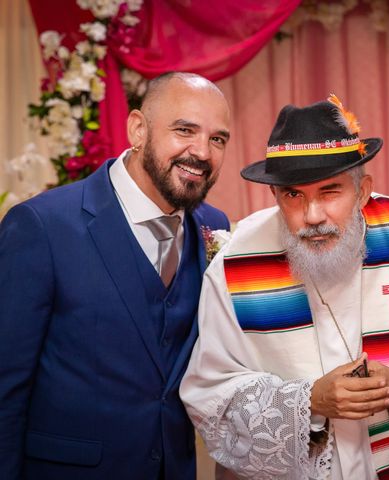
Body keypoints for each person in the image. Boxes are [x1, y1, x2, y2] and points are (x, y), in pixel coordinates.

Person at [180, 96, 389, 479]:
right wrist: (309, 403)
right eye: (293, 195)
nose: (312, 216)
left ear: (362, 191)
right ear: (275, 195)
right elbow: (212, 394)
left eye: (330, 192)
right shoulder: (237, 260)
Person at [0, 72, 231, 480]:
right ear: (138, 129)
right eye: (184, 130)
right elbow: (6, 388)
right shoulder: (42, 226)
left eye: (218, 139)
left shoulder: (214, 226)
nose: (202, 152)